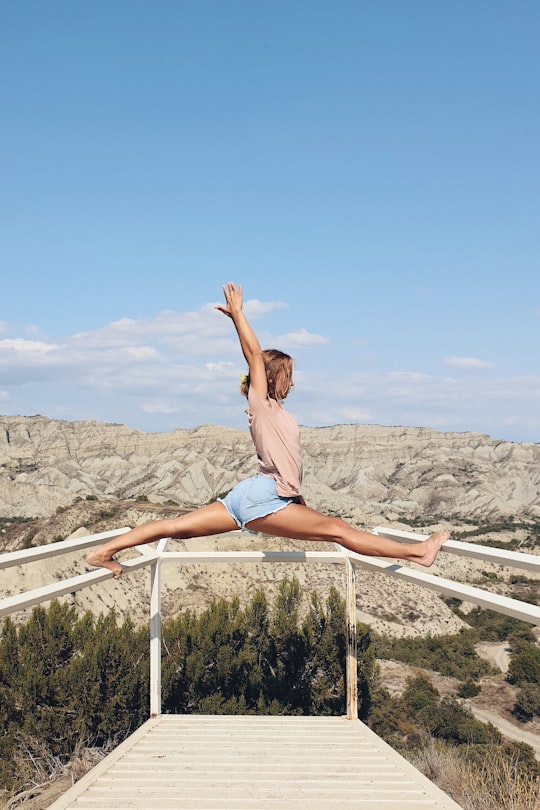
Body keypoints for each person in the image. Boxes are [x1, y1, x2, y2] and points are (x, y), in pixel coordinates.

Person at [86, 282, 449, 578]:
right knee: (339, 528)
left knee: (173, 526)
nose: (292, 382)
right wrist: (238, 317)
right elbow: (252, 353)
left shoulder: (271, 410)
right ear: (274, 376)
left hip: (251, 496)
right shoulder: (261, 404)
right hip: (263, 499)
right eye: (289, 375)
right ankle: (418, 552)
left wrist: (298, 501)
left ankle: (103, 552)